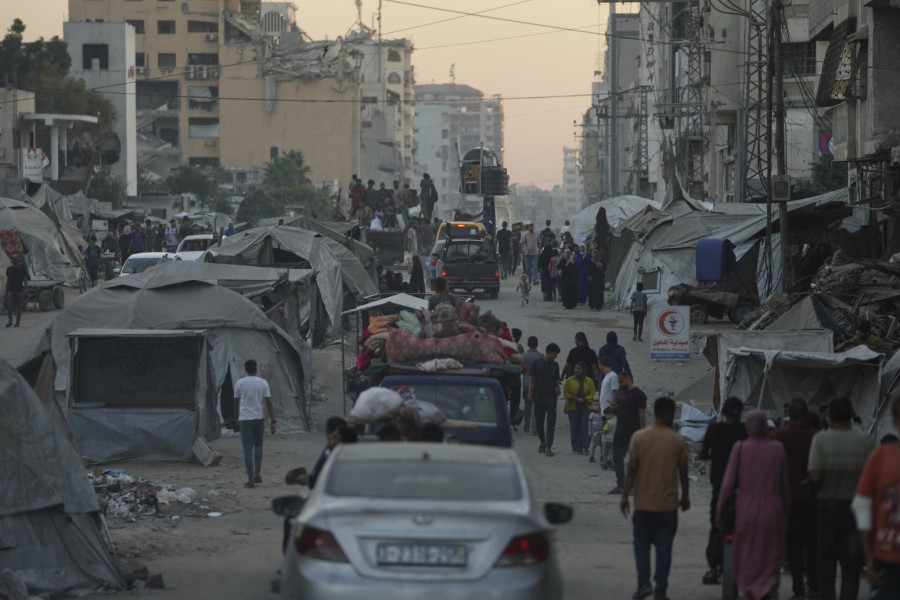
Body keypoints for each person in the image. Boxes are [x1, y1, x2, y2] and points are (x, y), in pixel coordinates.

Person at [715, 410, 790, 600]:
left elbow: (727, 485)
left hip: (745, 508)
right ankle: (768, 588)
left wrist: (719, 510)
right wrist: (786, 512)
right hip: (772, 507)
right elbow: (784, 487)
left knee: (748, 553)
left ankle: (750, 590)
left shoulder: (740, 448)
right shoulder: (778, 449)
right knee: (770, 553)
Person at [620, 396, 690, 600]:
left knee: (641, 543)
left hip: (643, 503)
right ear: (668, 414)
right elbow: (683, 473)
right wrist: (685, 497)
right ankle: (660, 590)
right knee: (664, 548)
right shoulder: (677, 440)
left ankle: (643, 584)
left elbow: (632, 469)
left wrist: (625, 496)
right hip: (667, 506)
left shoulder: (639, 437)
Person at [808, 396, 875, 600]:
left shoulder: (821, 439)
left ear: (829, 417)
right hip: (856, 510)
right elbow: (872, 477)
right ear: (851, 417)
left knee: (826, 560)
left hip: (827, 507)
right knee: (851, 565)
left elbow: (815, 475)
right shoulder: (865, 441)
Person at [852, 397, 900, 600]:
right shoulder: (880, 456)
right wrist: (869, 561)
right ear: (896, 423)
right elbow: (861, 505)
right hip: (886, 561)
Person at [698, 396, 748, 585]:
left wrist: (709, 454)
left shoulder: (714, 429)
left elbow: (703, 453)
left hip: (719, 487)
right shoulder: (744, 431)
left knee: (715, 526)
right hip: (741, 488)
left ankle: (713, 569)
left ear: (723, 412)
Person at [774, 399, 819, 599]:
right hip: (812, 499)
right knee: (812, 546)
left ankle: (798, 589)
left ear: (789, 415)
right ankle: (814, 585)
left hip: (789, 500)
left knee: (793, 546)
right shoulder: (815, 437)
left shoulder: (780, 436)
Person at [233, 359, 276, 489]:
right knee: (258, 445)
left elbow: (236, 402)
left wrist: (237, 417)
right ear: (256, 369)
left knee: (247, 449)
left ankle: (250, 479)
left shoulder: (240, 383)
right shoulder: (263, 383)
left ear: (245, 369)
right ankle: (258, 473)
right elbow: (268, 403)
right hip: (259, 418)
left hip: (245, 418)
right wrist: (273, 421)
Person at [610, 371, 646, 495]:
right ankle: (621, 485)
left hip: (634, 433)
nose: (620, 384)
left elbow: (642, 415)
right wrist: (614, 409)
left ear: (628, 379)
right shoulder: (620, 394)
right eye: (618, 382)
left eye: (621, 381)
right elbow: (618, 412)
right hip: (620, 432)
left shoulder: (639, 394)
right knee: (617, 458)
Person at [528, 343, 561, 457]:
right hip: (539, 396)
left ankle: (548, 447)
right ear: (549, 352)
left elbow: (556, 380)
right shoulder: (536, 364)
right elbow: (532, 378)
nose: (555, 357)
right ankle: (542, 441)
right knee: (539, 422)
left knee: (551, 423)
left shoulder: (555, 365)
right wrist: (530, 392)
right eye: (555, 354)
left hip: (552, 397)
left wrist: (558, 388)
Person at [563, 361, 596, 456]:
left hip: (586, 406)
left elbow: (592, 393)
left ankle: (586, 446)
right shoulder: (570, 380)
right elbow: (566, 393)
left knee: (585, 426)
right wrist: (573, 398)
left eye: (579, 369)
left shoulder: (589, 381)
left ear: (584, 370)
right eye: (575, 368)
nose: (576, 371)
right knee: (575, 427)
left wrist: (585, 399)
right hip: (573, 406)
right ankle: (577, 448)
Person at [521, 336, 542, 434]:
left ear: (528, 344)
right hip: (537, 385)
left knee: (527, 405)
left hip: (525, 384)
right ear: (537, 344)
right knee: (535, 406)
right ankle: (535, 428)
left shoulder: (523, 356)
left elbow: (520, 370)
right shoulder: (541, 356)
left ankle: (526, 426)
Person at [5, 254, 29, 328]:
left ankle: (17, 322)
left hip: (19, 290)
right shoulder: (9, 269)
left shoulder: (22, 269)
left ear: (18, 260)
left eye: (14, 259)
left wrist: (26, 288)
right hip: (10, 290)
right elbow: (8, 280)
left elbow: (25, 279)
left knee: (19, 307)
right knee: (9, 306)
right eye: (12, 259)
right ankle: (10, 321)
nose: (12, 260)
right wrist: (6, 290)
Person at [588, 243, 606, 310]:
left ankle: (598, 305)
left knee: (598, 292)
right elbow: (588, 269)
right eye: (593, 253)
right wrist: (589, 276)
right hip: (592, 279)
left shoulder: (601, 260)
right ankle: (592, 305)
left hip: (599, 278)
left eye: (595, 253)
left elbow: (605, 269)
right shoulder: (590, 261)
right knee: (592, 292)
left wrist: (601, 265)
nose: (594, 255)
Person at [588, 399, 605, 464]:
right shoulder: (592, 414)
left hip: (602, 430)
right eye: (595, 405)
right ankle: (592, 456)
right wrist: (589, 431)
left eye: (599, 405)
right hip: (595, 430)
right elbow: (589, 423)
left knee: (602, 444)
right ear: (592, 407)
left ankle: (602, 455)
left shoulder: (602, 413)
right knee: (594, 444)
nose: (598, 406)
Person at [601, 405, 617, 470]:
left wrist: (598, 432)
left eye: (606, 415)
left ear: (610, 414)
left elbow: (605, 431)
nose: (605, 416)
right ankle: (614, 465)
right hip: (614, 439)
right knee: (612, 453)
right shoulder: (617, 420)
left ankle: (604, 464)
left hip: (606, 439)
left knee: (605, 453)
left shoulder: (608, 422)